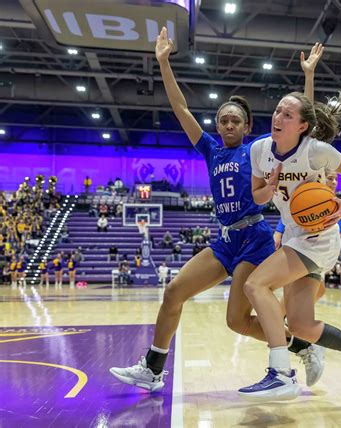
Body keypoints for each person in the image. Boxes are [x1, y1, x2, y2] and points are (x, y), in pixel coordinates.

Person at [109, 28, 326, 392]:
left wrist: (308, 75)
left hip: (254, 239)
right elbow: (180, 108)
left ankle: (301, 346)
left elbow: (300, 126)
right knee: (174, 291)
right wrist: (163, 62)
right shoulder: (211, 149)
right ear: (217, 124)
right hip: (225, 239)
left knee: (237, 321)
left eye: (235, 121)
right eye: (223, 120)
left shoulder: (259, 149)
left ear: (247, 127)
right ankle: (153, 369)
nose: (228, 124)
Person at [238, 90, 341, 404]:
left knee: (256, 285)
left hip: (319, 238)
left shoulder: (317, 151)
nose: (278, 117)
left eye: (287, 114)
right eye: (277, 111)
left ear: (302, 125)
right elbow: (257, 195)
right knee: (301, 325)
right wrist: (268, 187)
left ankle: (280, 373)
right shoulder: (259, 150)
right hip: (292, 238)